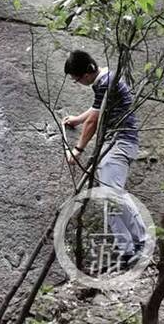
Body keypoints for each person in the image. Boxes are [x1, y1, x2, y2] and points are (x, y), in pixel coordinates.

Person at [62, 50, 147, 267]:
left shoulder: (106, 82)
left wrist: (78, 149)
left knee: (113, 194)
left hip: (120, 142)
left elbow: (93, 121)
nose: (77, 82)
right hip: (114, 144)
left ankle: (143, 242)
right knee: (110, 198)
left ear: (89, 70)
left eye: (78, 78)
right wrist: (77, 120)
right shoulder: (106, 82)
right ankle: (129, 251)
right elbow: (93, 112)